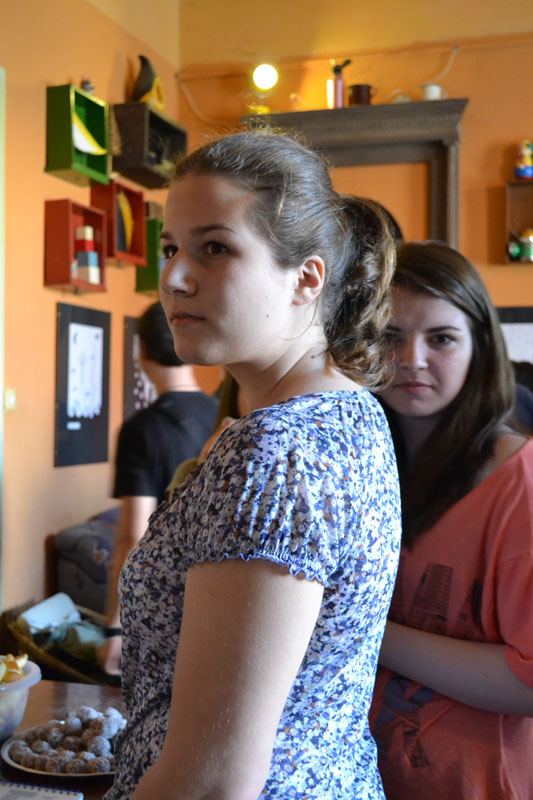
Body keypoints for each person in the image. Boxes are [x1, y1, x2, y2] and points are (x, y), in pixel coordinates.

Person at [104, 130, 402, 800]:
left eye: (215, 247)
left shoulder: (277, 450)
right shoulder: (350, 411)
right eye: (170, 248)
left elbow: (212, 779)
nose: (173, 278)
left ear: (306, 278)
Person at [368, 241, 533, 799]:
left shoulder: (519, 482)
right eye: (390, 335)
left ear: (480, 347)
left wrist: (367, 632)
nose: (412, 358)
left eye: (441, 338)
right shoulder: (361, 466)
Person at [101, 301, 218, 675]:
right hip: (219, 596)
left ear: (143, 351)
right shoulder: (226, 414)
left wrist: (115, 627)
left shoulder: (141, 430)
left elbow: (132, 536)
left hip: (162, 607)